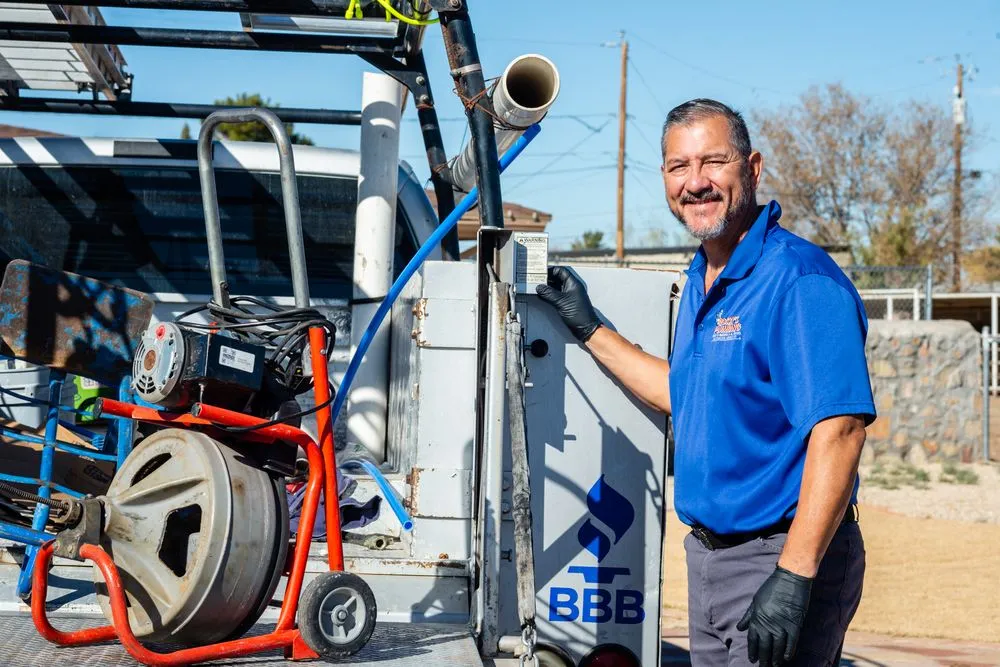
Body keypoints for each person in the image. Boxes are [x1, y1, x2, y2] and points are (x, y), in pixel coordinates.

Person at [535, 98, 875, 667]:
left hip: (778, 556)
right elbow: (685, 394)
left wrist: (794, 573)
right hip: (710, 558)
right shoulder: (704, 275)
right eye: (678, 167)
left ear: (753, 168)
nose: (695, 183)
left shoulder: (799, 280)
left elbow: (839, 430)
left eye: (713, 162)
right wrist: (590, 328)